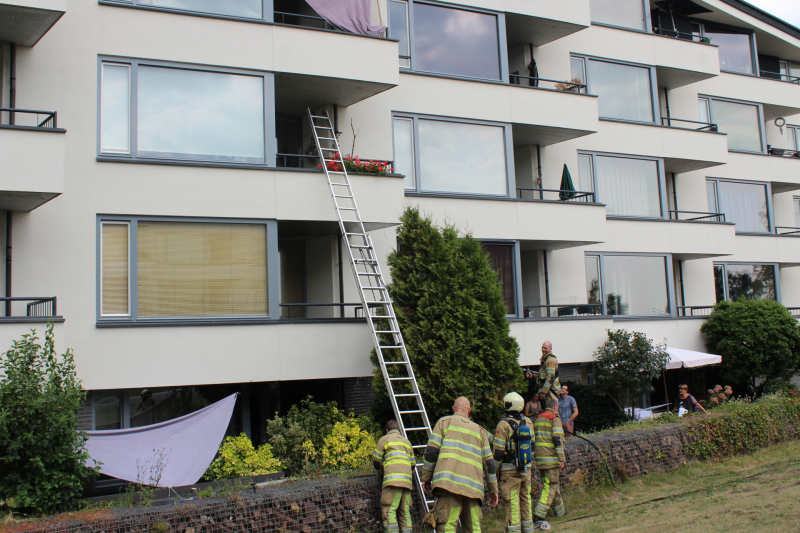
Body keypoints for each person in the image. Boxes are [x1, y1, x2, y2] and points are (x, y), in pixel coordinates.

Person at [421, 397, 500, 533]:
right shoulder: (480, 431)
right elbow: (489, 464)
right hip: (473, 489)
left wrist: (426, 478)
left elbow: (431, 453)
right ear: (469, 411)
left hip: (448, 486)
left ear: (453, 409)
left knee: (447, 526)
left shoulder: (444, 423)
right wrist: (493, 490)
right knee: (473, 528)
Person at [493, 392, 535, 533]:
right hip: (526, 469)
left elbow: (498, 452)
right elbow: (533, 446)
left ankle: (514, 530)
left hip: (510, 471)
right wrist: (527, 463)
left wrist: (495, 471)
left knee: (512, 503)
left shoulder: (503, 424)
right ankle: (529, 529)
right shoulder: (528, 422)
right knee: (526, 499)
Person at [373, 420, 415, 533]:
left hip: (392, 481)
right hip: (406, 483)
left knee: (389, 510)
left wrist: (382, 473)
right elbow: (413, 465)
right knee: (405, 512)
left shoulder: (384, 439)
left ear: (387, 430)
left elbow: (376, 462)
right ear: (398, 430)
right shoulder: (407, 442)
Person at [533, 399, 566, 530]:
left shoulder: (538, 418)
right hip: (551, 458)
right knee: (551, 485)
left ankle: (561, 512)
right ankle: (539, 515)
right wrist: (561, 458)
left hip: (540, 458)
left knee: (554, 484)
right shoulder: (554, 418)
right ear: (556, 407)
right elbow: (557, 439)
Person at [532, 342, 561, 410]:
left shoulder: (550, 360)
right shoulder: (545, 359)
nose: (543, 349)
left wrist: (543, 392)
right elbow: (543, 375)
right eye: (542, 348)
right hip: (548, 391)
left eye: (545, 348)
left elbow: (550, 377)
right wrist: (533, 376)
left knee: (552, 411)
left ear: (550, 349)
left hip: (551, 392)